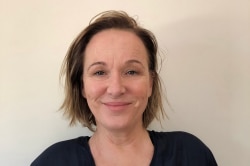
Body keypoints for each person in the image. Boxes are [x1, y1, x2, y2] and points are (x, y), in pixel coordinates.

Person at [31, 10, 217, 166]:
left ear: (150, 83)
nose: (116, 89)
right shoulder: (53, 161)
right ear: (82, 87)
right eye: (99, 72)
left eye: (131, 72)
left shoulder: (192, 155)